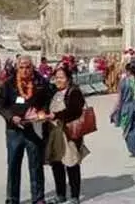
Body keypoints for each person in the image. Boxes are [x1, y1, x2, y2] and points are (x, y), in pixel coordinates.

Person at [0, 55, 52, 204]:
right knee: (13, 165)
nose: (25, 70)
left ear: (32, 67)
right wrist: (11, 117)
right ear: (17, 68)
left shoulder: (40, 82)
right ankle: (12, 198)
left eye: (28, 67)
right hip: (14, 130)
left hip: (33, 128)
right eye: (21, 67)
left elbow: (48, 99)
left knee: (36, 165)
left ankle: (38, 198)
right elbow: (1, 105)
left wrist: (41, 111)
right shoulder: (8, 84)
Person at [46, 66, 88, 204]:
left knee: (71, 163)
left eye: (61, 77)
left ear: (68, 79)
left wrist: (56, 115)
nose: (58, 80)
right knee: (57, 164)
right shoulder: (54, 93)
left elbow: (74, 111)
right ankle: (60, 194)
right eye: (56, 77)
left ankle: (75, 196)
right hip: (54, 134)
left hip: (69, 134)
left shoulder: (74, 92)